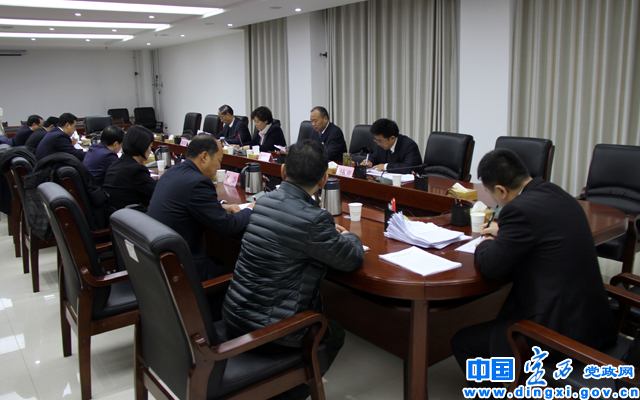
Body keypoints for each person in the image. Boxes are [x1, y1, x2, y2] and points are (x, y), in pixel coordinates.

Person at [451, 148, 617, 375]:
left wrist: (486, 242)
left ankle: (504, 389)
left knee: (463, 343)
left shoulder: (517, 211)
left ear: (501, 190)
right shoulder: (556, 192)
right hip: (595, 322)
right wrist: (505, 232)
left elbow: (491, 266)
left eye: (492, 195)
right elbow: (542, 229)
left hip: (560, 334)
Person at [223, 139, 364, 400]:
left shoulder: (263, 202)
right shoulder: (316, 219)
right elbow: (351, 259)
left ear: (283, 171)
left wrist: (324, 233)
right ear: (323, 180)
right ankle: (286, 393)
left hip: (235, 315)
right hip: (273, 333)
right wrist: (349, 236)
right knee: (334, 334)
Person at [147, 134, 254, 282]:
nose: (219, 167)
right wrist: (251, 208)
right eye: (219, 161)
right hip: (182, 270)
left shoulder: (172, 172)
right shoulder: (198, 183)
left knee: (219, 260)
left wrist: (222, 206)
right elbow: (228, 226)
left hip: (160, 262)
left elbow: (190, 203)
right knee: (244, 277)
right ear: (204, 157)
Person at [103, 125, 156, 210]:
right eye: (150, 146)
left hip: (116, 215)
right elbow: (158, 191)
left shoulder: (115, 165)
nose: (150, 150)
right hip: (132, 214)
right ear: (142, 146)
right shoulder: (136, 170)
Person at [359, 118, 423, 174]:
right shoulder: (382, 144)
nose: (378, 144)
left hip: (414, 182)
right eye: (376, 140)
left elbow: (408, 167)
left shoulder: (409, 146)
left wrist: (385, 167)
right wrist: (370, 162)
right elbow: (375, 157)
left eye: (380, 141)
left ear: (392, 138)